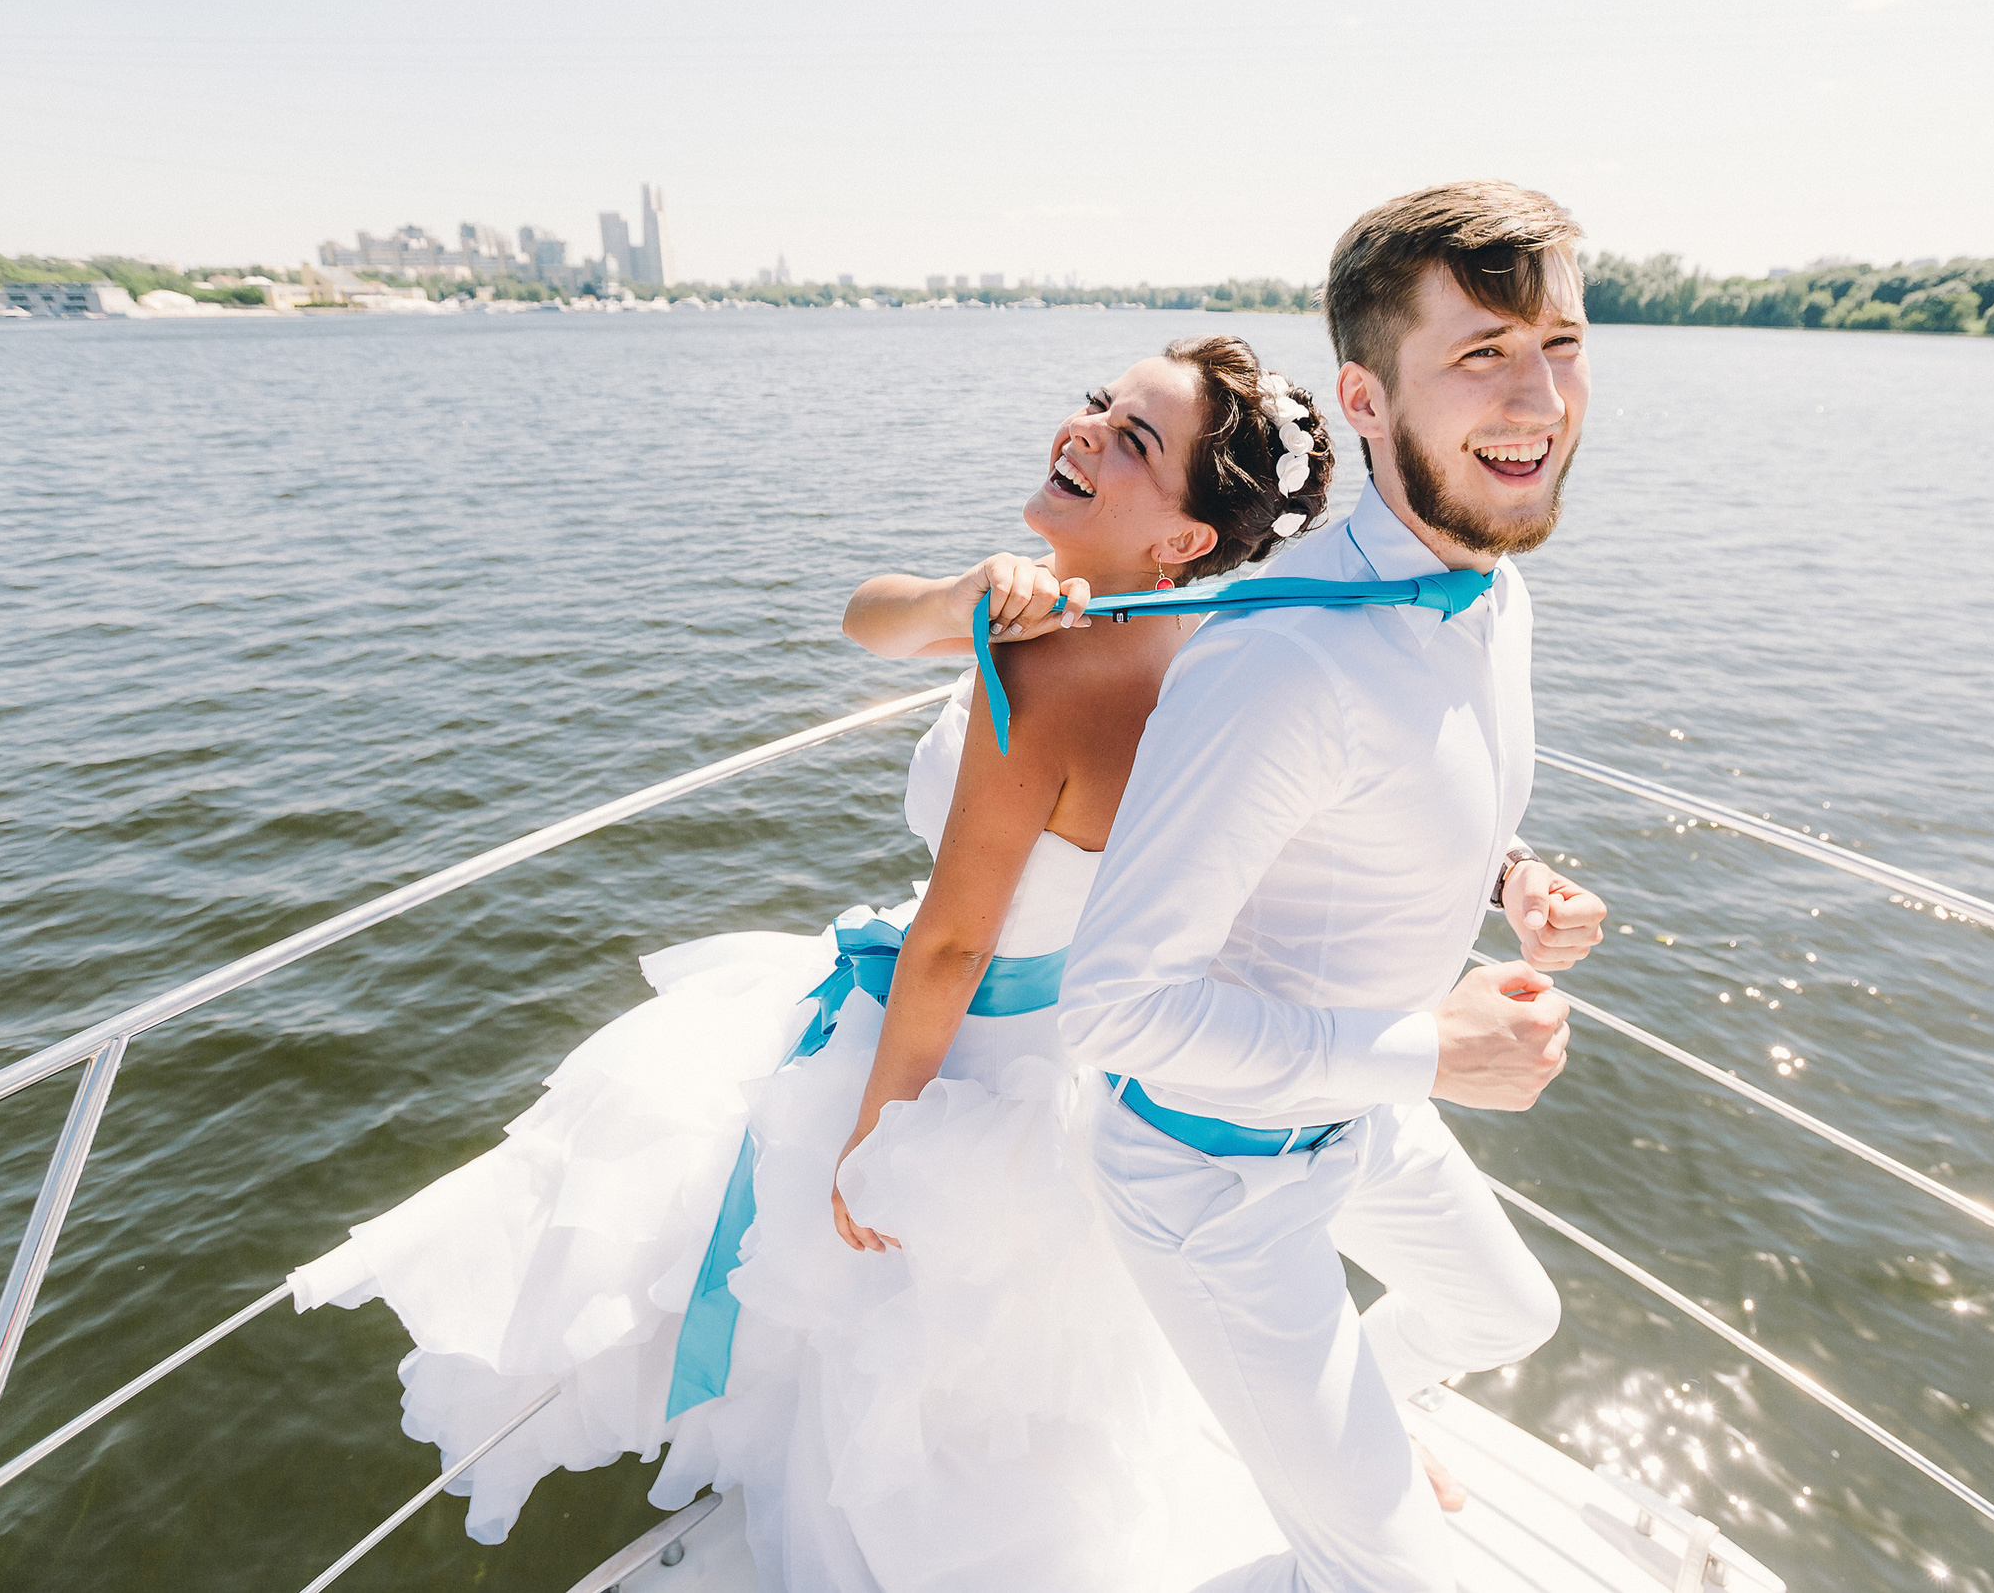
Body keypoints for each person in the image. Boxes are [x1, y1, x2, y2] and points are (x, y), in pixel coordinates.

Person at [289, 333, 1343, 1590]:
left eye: (1133, 439)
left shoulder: (1053, 666)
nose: (1084, 432)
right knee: (997, 1400)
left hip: (952, 1055)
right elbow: (869, 620)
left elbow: (953, 943)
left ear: (1181, 538)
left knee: (878, 1360)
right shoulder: (1193, 647)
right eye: (1096, 405)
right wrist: (963, 596)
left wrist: (875, 1133)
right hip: (1070, 1066)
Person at [1058, 180, 1610, 1593]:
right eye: (1480, 351)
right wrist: (1435, 1045)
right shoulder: (1281, 661)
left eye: (1561, 339)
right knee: (1392, 1577)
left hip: (1353, 1112)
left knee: (1508, 1310)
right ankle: (1350, 1509)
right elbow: (1116, 1008)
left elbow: (1400, 787)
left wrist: (1512, 878)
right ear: (1366, 399)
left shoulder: (1492, 586)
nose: (1537, 394)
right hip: (1215, 1173)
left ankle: (1328, 1450)